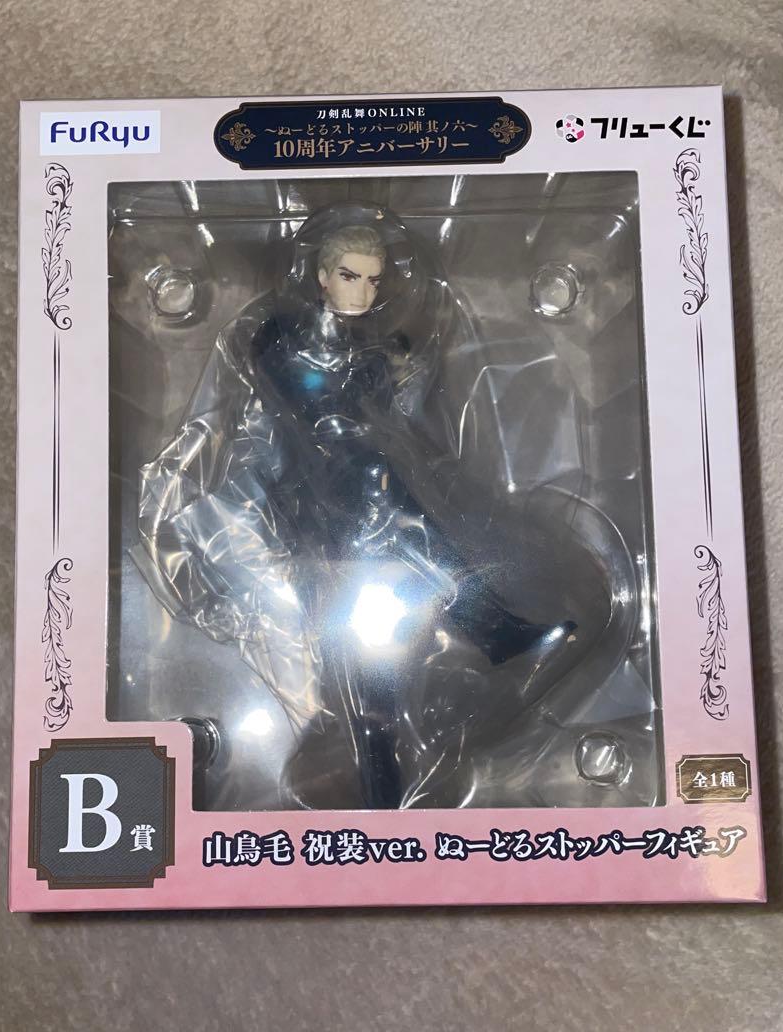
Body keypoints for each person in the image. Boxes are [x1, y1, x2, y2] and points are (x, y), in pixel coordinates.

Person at [138, 203, 610, 808]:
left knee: (406, 591)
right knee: (360, 646)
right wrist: (375, 365)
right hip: (326, 507)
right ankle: (395, 750)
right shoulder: (280, 334)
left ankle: (492, 639)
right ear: (321, 276)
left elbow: (381, 411)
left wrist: (391, 363)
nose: (363, 291)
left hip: (372, 491)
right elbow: (314, 405)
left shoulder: (365, 343)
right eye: (350, 276)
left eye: (373, 280)